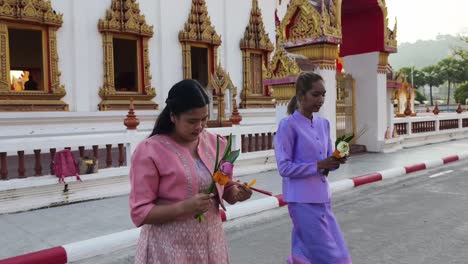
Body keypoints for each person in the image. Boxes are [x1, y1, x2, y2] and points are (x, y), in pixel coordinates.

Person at [129, 79, 252, 264]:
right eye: (192, 121)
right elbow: (140, 212)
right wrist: (183, 208)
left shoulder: (217, 144)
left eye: (204, 119)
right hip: (169, 249)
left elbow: (225, 189)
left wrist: (236, 193)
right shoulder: (150, 151)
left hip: (211, 244)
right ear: (173, 116)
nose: (200, 126)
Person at [274, 72, 352, 264]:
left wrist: (335, 160)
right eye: (316, 94)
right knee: (335, 258)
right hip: (301, 201)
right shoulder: (287, 126)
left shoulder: (323, 124)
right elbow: (284, 168)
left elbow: (325, 164)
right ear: (301, 96)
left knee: (305, 254)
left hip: (323, 198)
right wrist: (318, 165)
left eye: (323, 94)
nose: (321, 99)